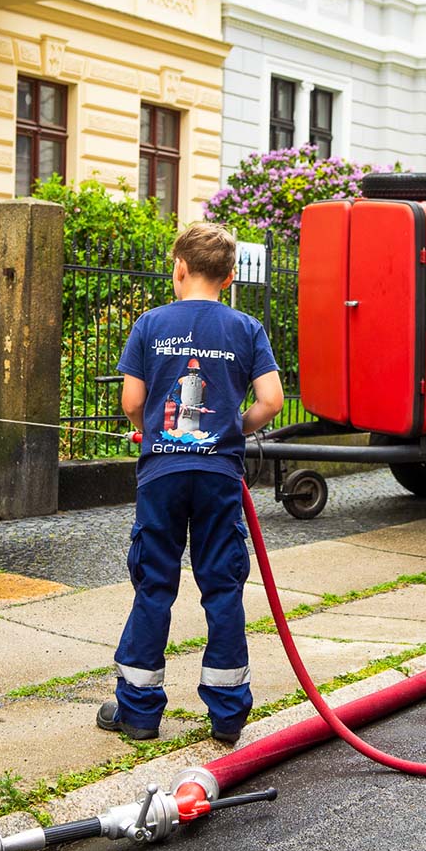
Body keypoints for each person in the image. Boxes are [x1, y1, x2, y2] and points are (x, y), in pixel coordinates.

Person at [96, 222, 284, 744]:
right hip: (219, 475)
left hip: (162, 475)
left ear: (179, 268)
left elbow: (133, 403)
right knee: (222, 586)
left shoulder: (151, 324)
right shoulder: (245, 328)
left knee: (155, 584)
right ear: (228, 277)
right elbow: (271, 401)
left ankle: (137, 712)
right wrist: (232, 430)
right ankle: (226, 715)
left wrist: (148, 431)